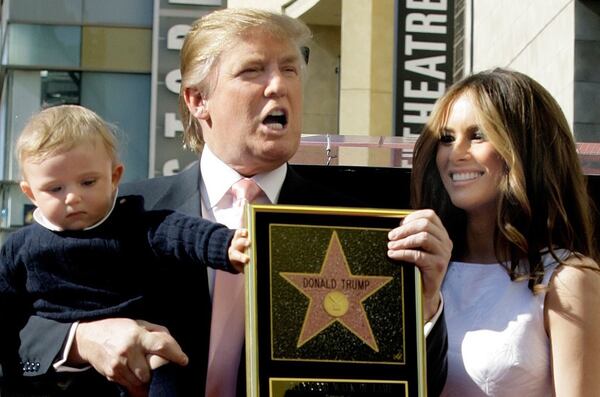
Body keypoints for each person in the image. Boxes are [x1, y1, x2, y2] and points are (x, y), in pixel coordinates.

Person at [13, 8, 448, 397]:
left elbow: (409, 383)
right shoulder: (121, 208)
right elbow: (17, 328)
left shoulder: (357, 224)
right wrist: (82, 339)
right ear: (198, 100)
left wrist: (422, 307)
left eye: (290, 69)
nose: (278, 85)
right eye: (253, 70)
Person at [0, 105, 251, 396]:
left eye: (88, 182)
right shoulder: (20, 248)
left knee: (166, 359)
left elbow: (183, 233)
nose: (72, 197)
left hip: (146, 360)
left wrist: (226, 244)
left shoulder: (135, 222)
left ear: (115, 176)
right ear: (30, 192)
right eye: (54, 189)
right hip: (60, 379)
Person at [388, 68, 600, 396]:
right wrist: (426, 304)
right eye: (446, 138)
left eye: (478, 135)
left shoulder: (568, 280)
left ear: (526, 147)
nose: (456, 153)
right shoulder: (413, 269)